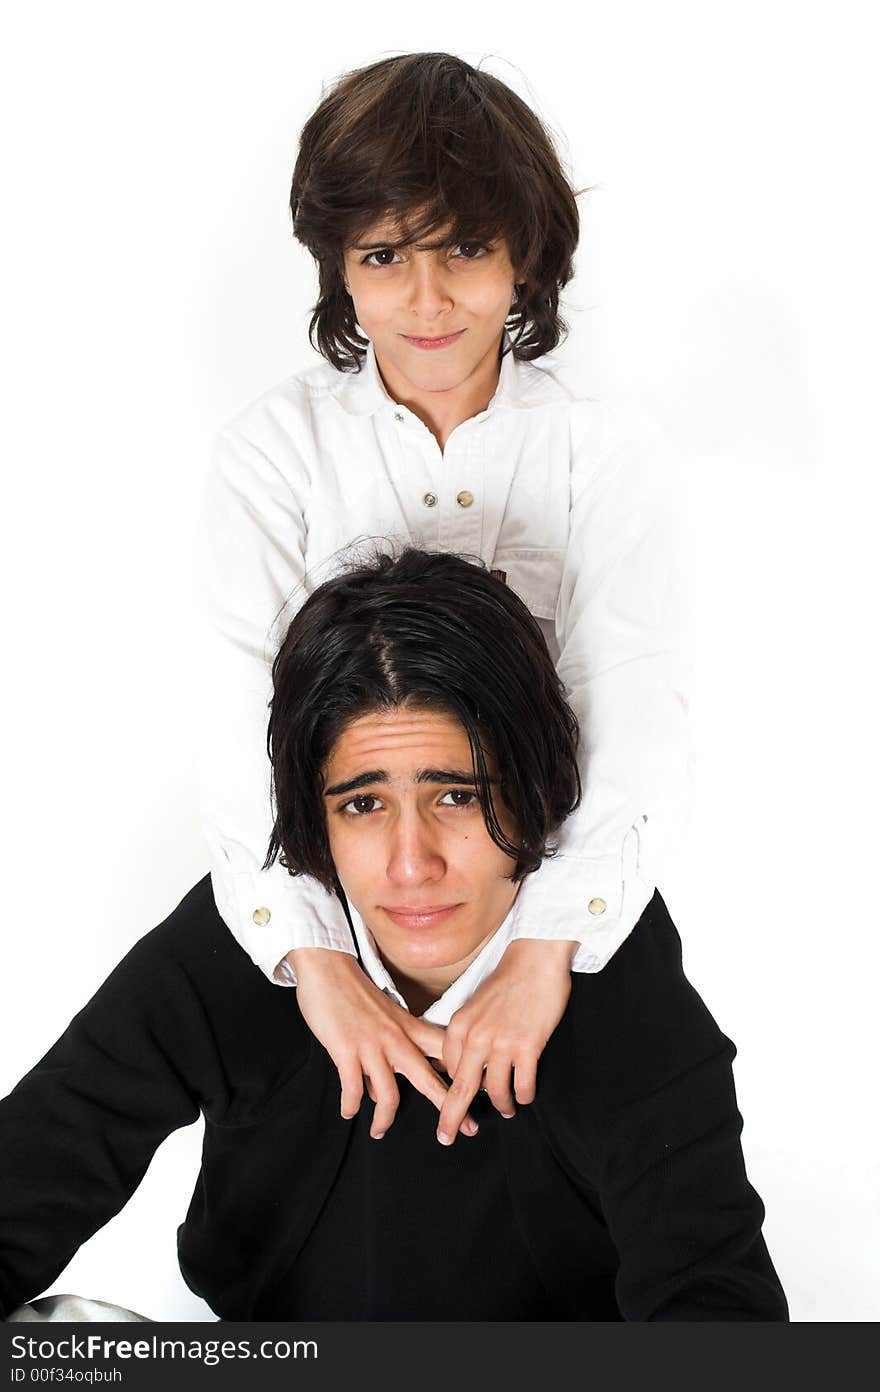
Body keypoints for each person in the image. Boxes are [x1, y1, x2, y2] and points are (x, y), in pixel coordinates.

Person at [1, 552, 786, 1322]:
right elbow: (37, 1164)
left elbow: (718, 1301)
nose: (413, 866)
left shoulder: (616, 968)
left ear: (536, 793)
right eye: (363, 806)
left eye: (456, 796)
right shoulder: (244, 939)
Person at [198, 51, 692, 1146]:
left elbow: (632, 709)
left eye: (465, 249)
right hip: (329, 894)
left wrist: (544, 948)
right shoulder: (272, 455)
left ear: (525, 257)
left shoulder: (595, 456)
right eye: (384, 256)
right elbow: (241, 721)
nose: (426, 301)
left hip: (549, 900)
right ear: (339, 266)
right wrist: (318, 961)